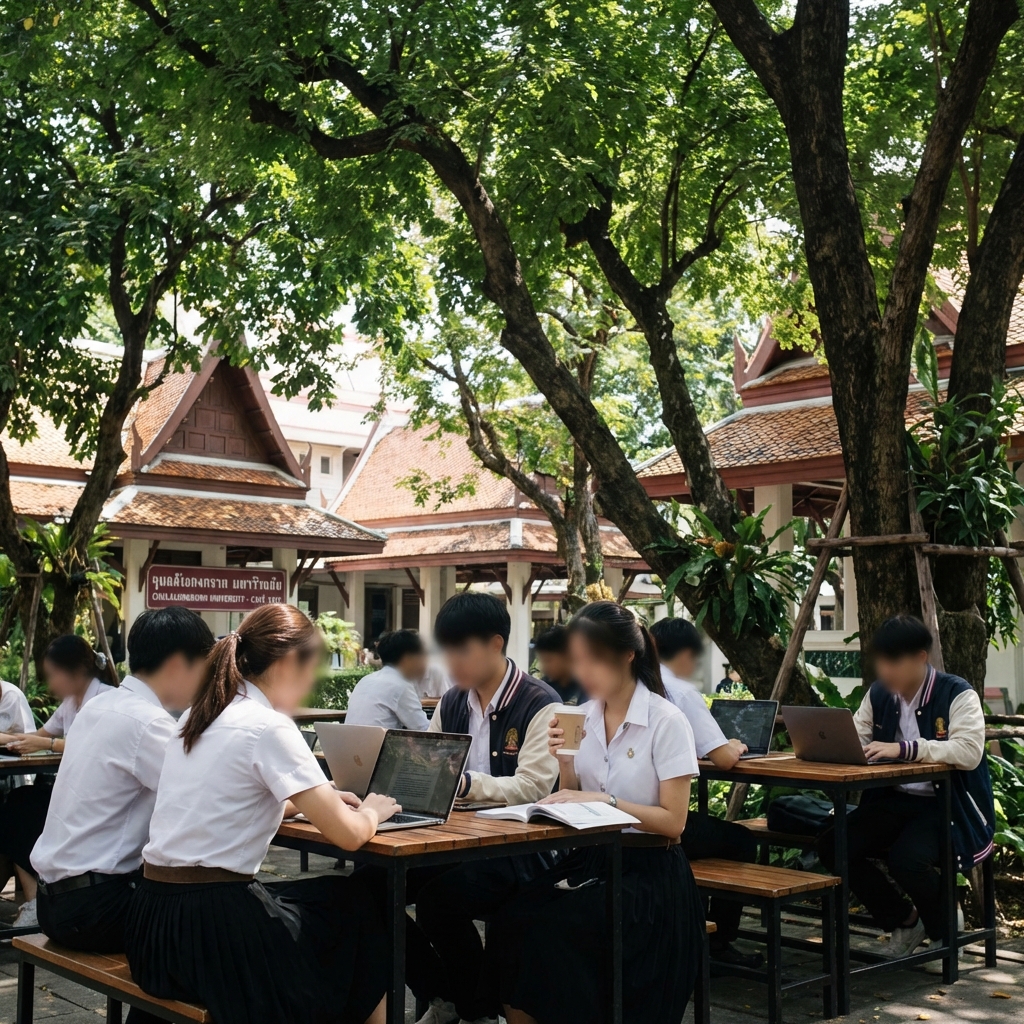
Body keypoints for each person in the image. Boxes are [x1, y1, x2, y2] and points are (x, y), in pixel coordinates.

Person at [124, 603, 398, 1024]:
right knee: (358, 908)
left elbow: (227, 798)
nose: (313, 680)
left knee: (334, 897)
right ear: (290, 662)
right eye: (314, 667)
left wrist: (314, 802)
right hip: (214, 935)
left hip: (154, 927)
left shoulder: (199, 718)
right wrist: (375, 812)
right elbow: (348, 836)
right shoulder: (268, 726)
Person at [493, 601, 705, 1024]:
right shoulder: (582, 717)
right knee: (509, 921)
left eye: (594, 658)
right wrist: (566, 764)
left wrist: (604, 803)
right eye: (578, 660)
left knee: (554, 930)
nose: (584, 671)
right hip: (593, 860)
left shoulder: (666, 721)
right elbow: (575, 799)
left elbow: (674, 823)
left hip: (650, 874)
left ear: (628, 655)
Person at [29, 608, 213, 1024]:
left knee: (191, 924)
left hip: (54, 901)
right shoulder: (146, 723)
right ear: (178, 664)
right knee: (211, 932)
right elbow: (206, 797)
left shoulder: (101, 706)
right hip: (94, 907)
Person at [393, 591, 559, 1024]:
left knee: (438, 902)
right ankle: (441, 993)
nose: (452, 663)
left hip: (523, 849)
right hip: (457, 842)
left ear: (496, 644)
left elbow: (535, 786)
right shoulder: (452, 702)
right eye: (446, 652)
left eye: (461, 651)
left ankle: (477, 1011)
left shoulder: (540, 703)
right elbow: (430, 762)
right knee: (374, 887)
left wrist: (465, 784)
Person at [818, 615, 992, 959]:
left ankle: (944, 927)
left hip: (947, 806)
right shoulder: (879, 693)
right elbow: (858, 736)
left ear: (921, 657)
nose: (886, 670)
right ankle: (905, 919)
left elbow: (969, 751)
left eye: (894, 661)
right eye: (882, 661)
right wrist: (828, 745)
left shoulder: (958, 693)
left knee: (906, 860)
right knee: (833, 846)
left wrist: (906, 749)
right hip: (894, 799)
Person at [650, 617, 762, 968]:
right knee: (741, 840)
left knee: (711, 835)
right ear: (685, 654)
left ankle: (698, 929)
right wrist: (733, 743)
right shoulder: (680, 692)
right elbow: (725, 759)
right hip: (660, 822)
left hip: (627, 815)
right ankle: (719, 944)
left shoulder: (635, 684)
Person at [0, 635, 116, 927]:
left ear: (73, 672)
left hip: (98, 798)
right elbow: (40, 734)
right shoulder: (70, 703)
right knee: (17, 804)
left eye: (53, 675)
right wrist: (15, 740)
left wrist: (49, 745)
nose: (50, 684)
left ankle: (34, 904)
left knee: (20, 810)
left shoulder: (104, 699)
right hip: (72, 789)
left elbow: (90, 742)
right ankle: (31, 901)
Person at [346, 629, 430, 729]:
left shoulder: (365, 680)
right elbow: (423, 728)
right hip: (377, 744)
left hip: (349, 742)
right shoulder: (400, 685)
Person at [532, 625, 584, 705]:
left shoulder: (587, 687)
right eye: (541, 660)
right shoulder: (543, 689)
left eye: (548, 660)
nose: (544, 668)